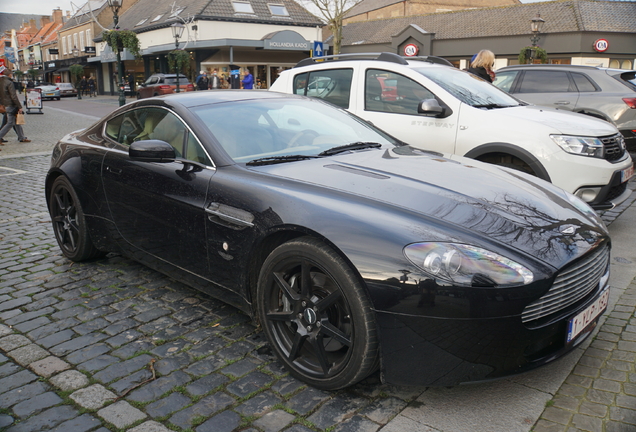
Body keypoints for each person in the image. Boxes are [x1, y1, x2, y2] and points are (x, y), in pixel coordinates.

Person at [0, 67, 31, 146]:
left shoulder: (1, 82)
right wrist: (19, 106)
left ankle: (21, 137)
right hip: (11, 104)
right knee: (10, 123)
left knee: (16, 122)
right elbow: (13, 96)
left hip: (5, 104)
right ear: (10, 75)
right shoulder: (9, 83)